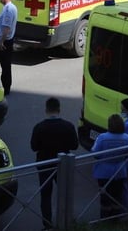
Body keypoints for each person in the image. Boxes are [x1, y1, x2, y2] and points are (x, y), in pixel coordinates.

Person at [30, 97, 78, 230]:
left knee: (45, 195)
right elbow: (74, 145)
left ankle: (47, 224)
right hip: (63, 165)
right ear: (59, 109)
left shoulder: (39, 127)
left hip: (44, 164)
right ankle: (67, 221)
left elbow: (34, 147)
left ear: (46, 109)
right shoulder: (68, 126)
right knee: (65, 193)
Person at [91, 114, 128, 218]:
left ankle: (105, 219)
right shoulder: (126, 137)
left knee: (105, 197)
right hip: (120, 171)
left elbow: (95, 153)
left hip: (104, 172)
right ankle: (115, 219)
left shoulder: (102, 137)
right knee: (117, 196)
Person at [0, 0, 17, 96]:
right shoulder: (9, 8)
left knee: (5, 66)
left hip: (5, 41)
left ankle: (6, 87)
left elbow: (6, 28)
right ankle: (6, 86)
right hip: (7, 40)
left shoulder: (8, 10)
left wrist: (1, 43)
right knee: (5, 65)